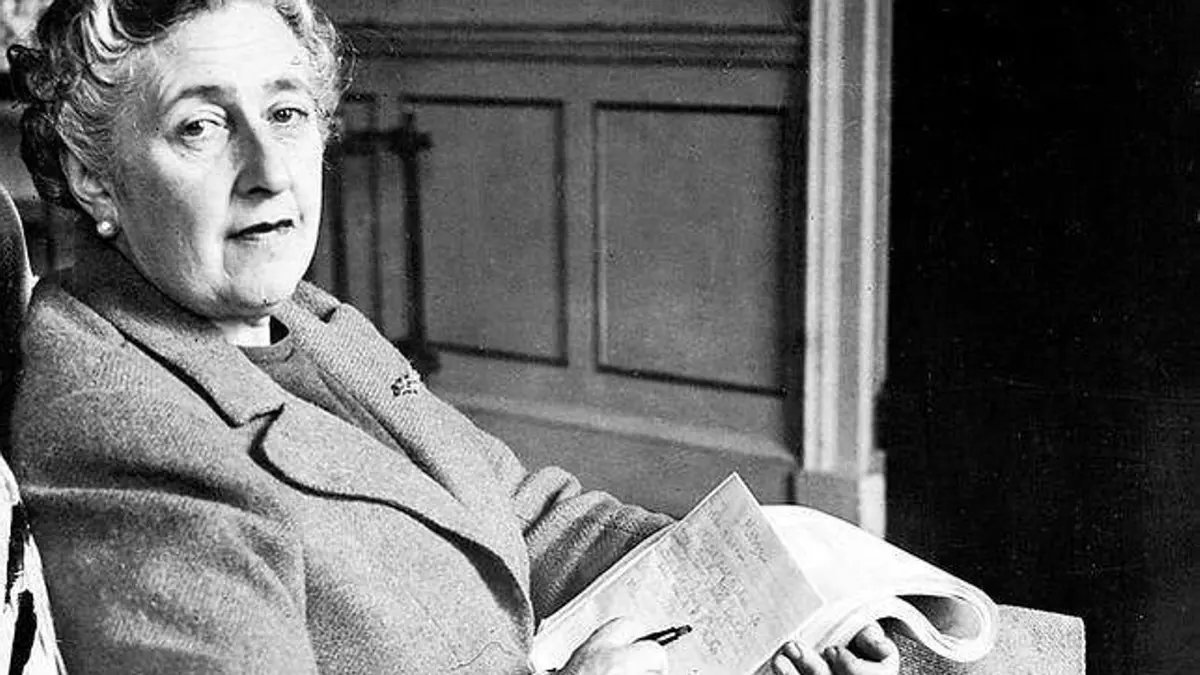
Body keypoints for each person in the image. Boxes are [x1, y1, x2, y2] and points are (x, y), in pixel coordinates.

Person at [4, 1, 900, 673]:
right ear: (93, 177)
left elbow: (516, 507)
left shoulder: (303, 320)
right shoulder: (120, 418)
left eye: (285, 112)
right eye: (201, 126)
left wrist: (771, 600)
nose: (270, 172)